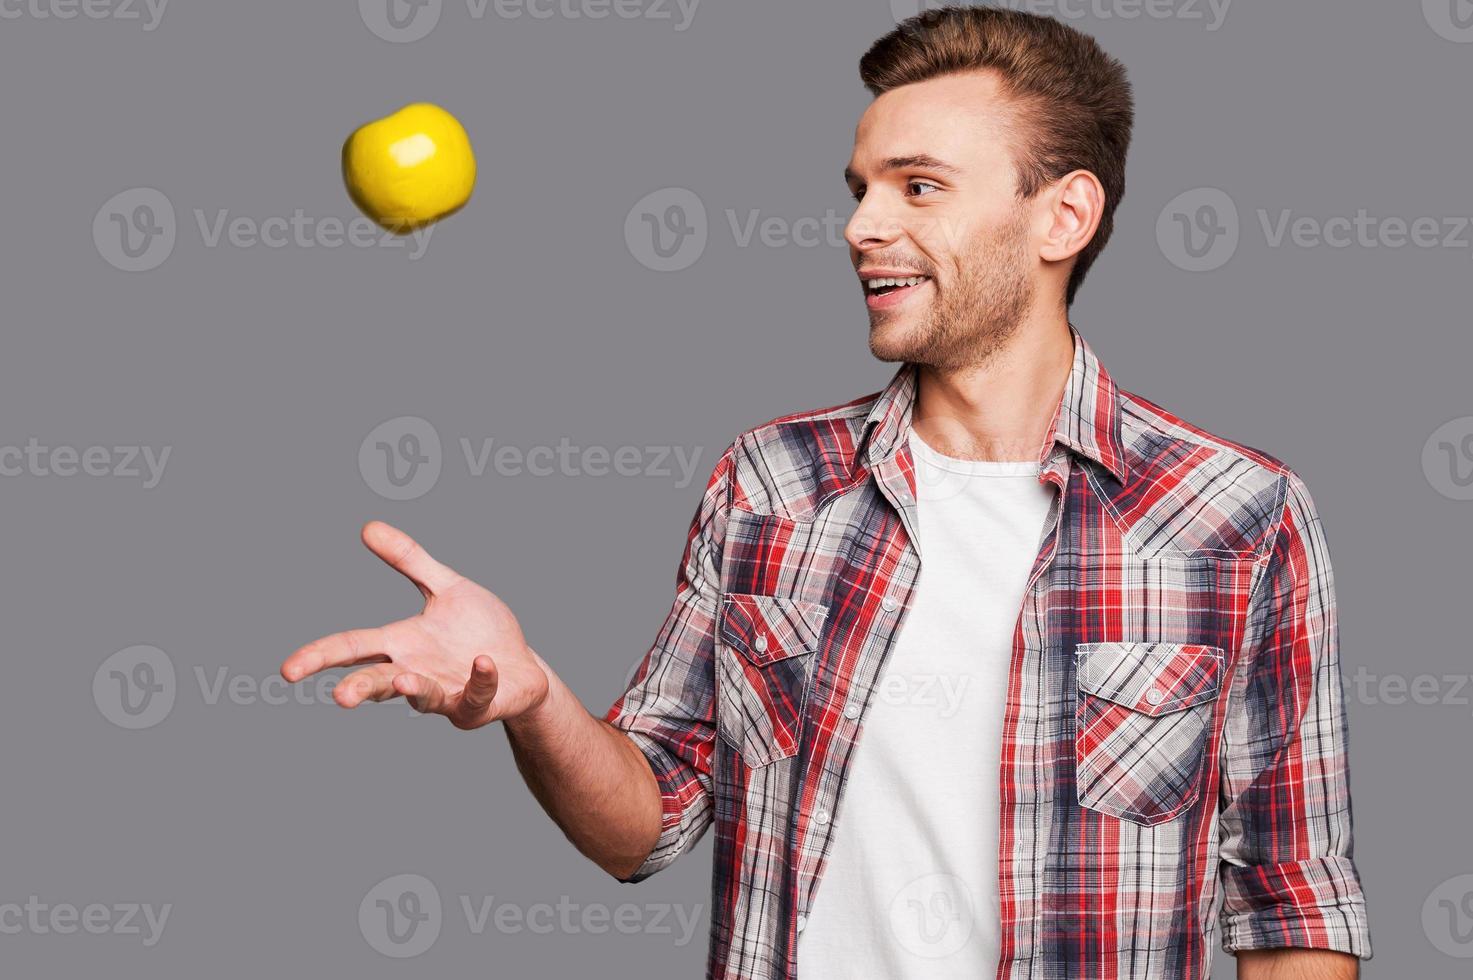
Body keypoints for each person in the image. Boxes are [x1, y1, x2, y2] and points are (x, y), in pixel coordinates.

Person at [280, 8, 1371, 978]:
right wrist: (533, 698)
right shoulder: (770, 483)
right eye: (861, 190)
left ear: (1063, 218)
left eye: (920, 185)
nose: (861, 225)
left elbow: (1292, 905)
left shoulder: (1237, 516)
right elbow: (642, 824)